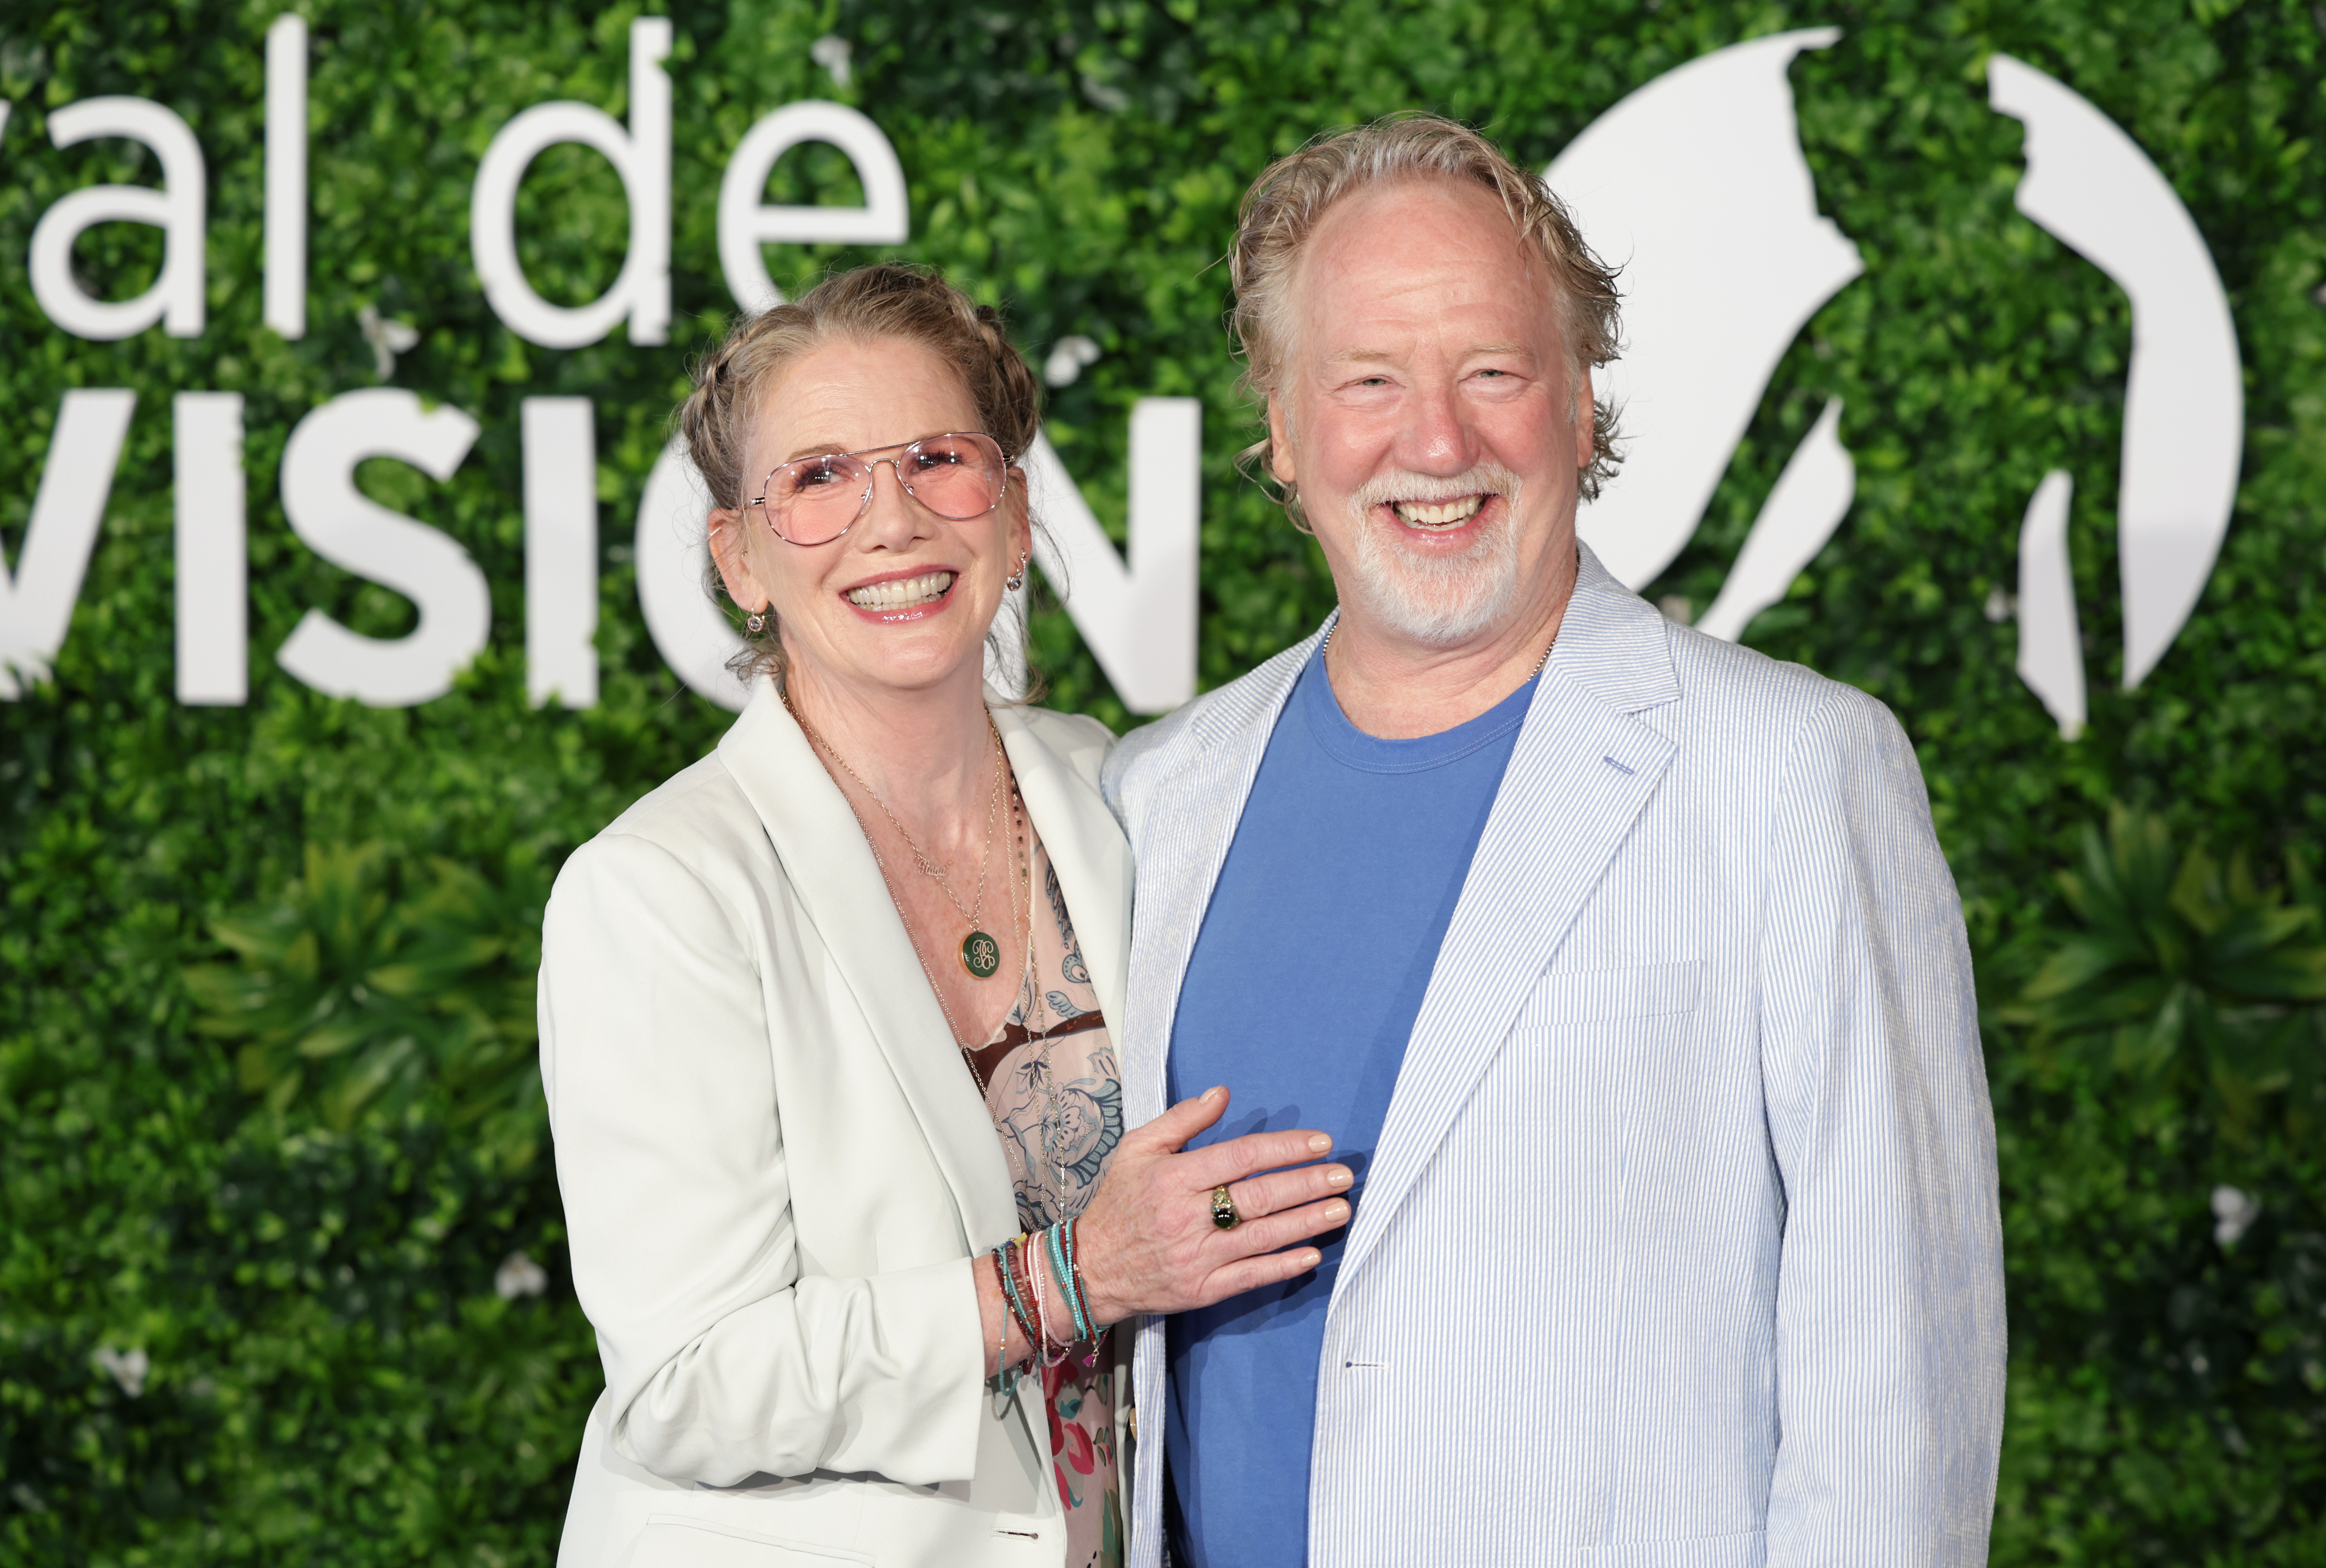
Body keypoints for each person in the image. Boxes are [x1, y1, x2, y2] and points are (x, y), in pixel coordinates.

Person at [1105, 116, 2007, 1566]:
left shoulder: (1794, 769)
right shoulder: (1159, 794)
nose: (1438, 442)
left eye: (1494, 373)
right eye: (1370, 381)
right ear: (1278, 423)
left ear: (1583, 404)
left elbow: (1898, 1377)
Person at [538, 265, 1351, 1568]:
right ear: (739, 557)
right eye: (818, 479)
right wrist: (1074, 1277)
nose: (894, 520)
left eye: (938, 458)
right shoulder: (658, 892)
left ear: (1015, 515)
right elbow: (690, 1384)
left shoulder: (1120, 789)